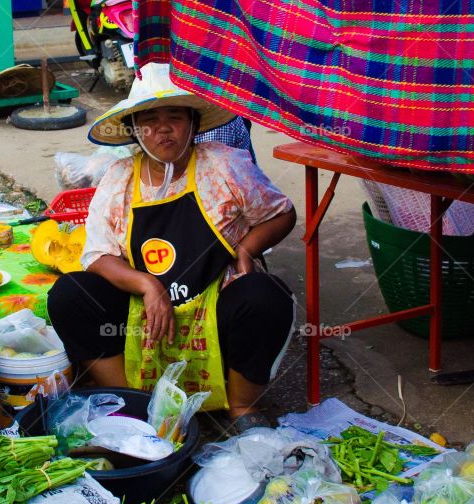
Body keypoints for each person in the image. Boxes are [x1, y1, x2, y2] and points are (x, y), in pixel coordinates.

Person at [48, 63, 297, 432]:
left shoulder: (225, 165)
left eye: (174, 116)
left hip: (215, 311)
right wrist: (148, 285)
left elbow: (282, 213)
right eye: (149, 118)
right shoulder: (119, 178)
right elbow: (96, 256)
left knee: (267, 295)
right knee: (70, 294)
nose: (163, 128)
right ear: (134, 129)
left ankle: (241, 406)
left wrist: (247, 248)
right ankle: (129, 402)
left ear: (193, 123)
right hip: (141, 319)